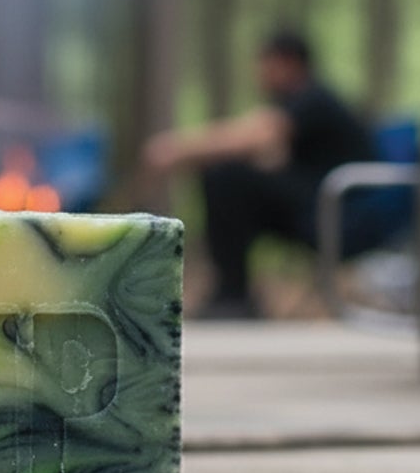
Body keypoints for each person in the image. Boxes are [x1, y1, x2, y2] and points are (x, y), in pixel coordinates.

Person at [141, 31, 377, 318]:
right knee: (229, 179)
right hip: (319, 204)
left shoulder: (314, 98)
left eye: (266, 65)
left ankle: (234, 296)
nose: (259, 74)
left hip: (342, 213)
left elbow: (258, 133)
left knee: (226, 177)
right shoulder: (297, 101)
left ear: (289, 63)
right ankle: (232, 291)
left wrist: (177, 150)